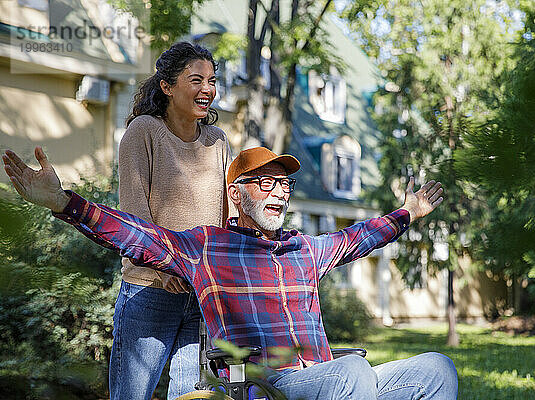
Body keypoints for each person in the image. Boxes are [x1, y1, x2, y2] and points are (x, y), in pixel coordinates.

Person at [3, 146, 458, 400]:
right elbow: (134, 235)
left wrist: (408, 213)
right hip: (271, 384)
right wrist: (64, 203)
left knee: (437, 368)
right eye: (266, 182)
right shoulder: (207, 248)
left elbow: (362, 236)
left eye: (284, 183)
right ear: (236, 195)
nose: (279, 191)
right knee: (354, 374)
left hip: (328, 379)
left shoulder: (305, 249)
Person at [115, 42, 231, 399]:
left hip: (200, 293)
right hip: (149, 289)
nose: (207, 90)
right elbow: (135, 215)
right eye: (196, 80)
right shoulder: (144, 132)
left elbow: (225, 218)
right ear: (167, 86)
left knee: (192, 396)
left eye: (212, 81)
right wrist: (163, 268)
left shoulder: (218, 141)